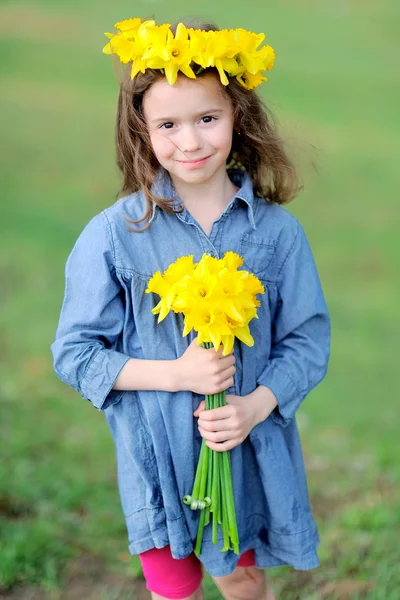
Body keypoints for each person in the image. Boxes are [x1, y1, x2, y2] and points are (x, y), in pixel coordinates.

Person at [51, 16, 330, 600]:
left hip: (244, 458)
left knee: (243, 577)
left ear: (238, 116)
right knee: (173, 589)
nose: (191, 141)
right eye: (168, 124)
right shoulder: (115, 234)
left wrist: (256, 405)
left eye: (208, 118)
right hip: (157, 462)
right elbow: (75, 354)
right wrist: (175, 374)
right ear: (142, 131)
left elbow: (307, 341)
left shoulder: (277, 235)